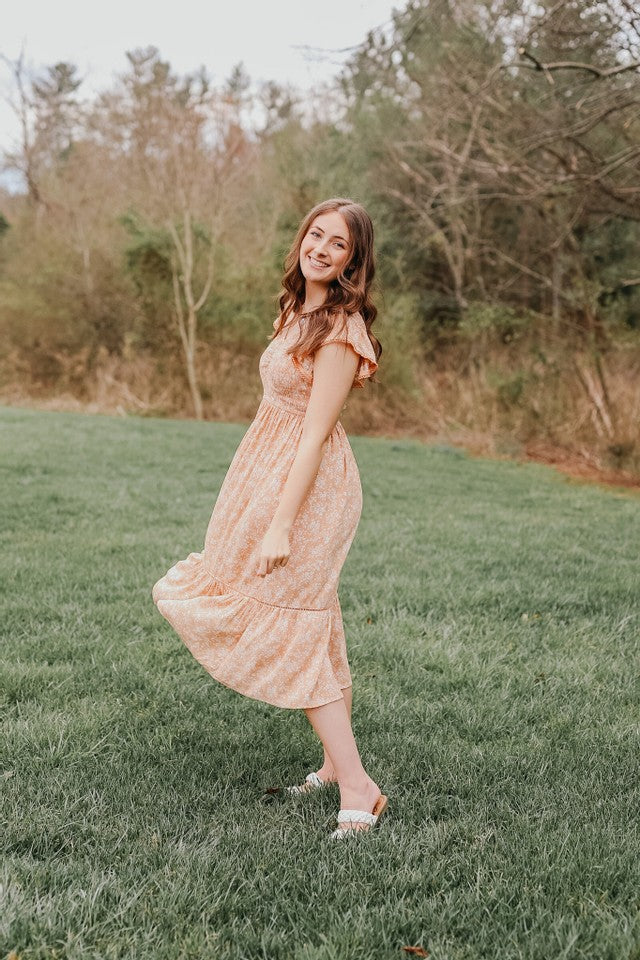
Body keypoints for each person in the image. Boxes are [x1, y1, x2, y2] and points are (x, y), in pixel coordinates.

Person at [152, 197, 388, 839]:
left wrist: (281, 523)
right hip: (267, 474)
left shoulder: (340, 332)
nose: (322, 249)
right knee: (314, 623)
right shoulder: (297, 310)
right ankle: (335, 768)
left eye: (339, 244)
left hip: (309, 490)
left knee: (295, 625)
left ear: (353, 261)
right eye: (317, 234)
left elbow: (314, 434)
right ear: (302, 238)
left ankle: (359, 787)